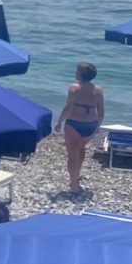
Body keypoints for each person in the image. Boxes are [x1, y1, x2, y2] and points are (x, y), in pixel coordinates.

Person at [54, 62, 105, 193]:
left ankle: (73, 184)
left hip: (74, 123)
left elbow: (68, 107)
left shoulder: (74, 88)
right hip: (91, 124)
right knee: (81, 149)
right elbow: (101, 112)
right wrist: (97, 128)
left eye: (77, 71)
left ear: (81, 74)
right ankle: (76, 175)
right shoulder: (98, 90)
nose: (75, 73)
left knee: (72, 155)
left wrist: (59, 121)